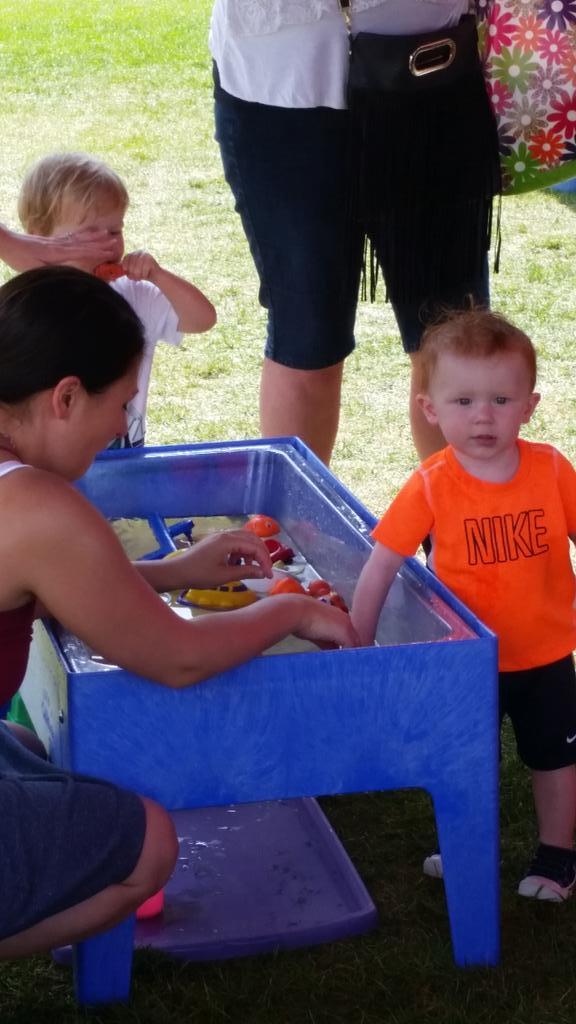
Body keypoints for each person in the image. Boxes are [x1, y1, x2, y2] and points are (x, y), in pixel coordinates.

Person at [0, 266, 357, 957]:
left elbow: (45, 583)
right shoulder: (37, 506)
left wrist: (172, 571)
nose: (121, 426)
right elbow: (179, 656)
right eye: (121, 405)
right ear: (67, 397)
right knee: (149, 846)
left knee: (22, 747)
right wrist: (286, 614)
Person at [210, 1, 500, 464]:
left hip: (428, 65)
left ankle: (461, 532)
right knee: (307, 338)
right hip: (277, 82)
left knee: (453, 341)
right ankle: (297, 533)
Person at [351, 308, 576, 901]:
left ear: (529, 405)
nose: (483, 415)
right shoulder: (431, 482)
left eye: (502, 400)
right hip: (467, 658)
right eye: (464, 401)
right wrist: (357, 637)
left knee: (554, 758)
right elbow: (382, 565)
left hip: (548, 654)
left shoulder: (552, 469)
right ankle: (467, 845)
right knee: (464, 758)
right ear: (430, 408)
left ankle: (558, 857)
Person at [9, 151, 217, 447]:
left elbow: (202, 319)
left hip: (123, 455)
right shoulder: (28, 302)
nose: (107, 244)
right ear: (38, 238)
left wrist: (158, 275)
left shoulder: (133, 294)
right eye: (89, 234)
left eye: (114, 230)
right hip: (48, 467)